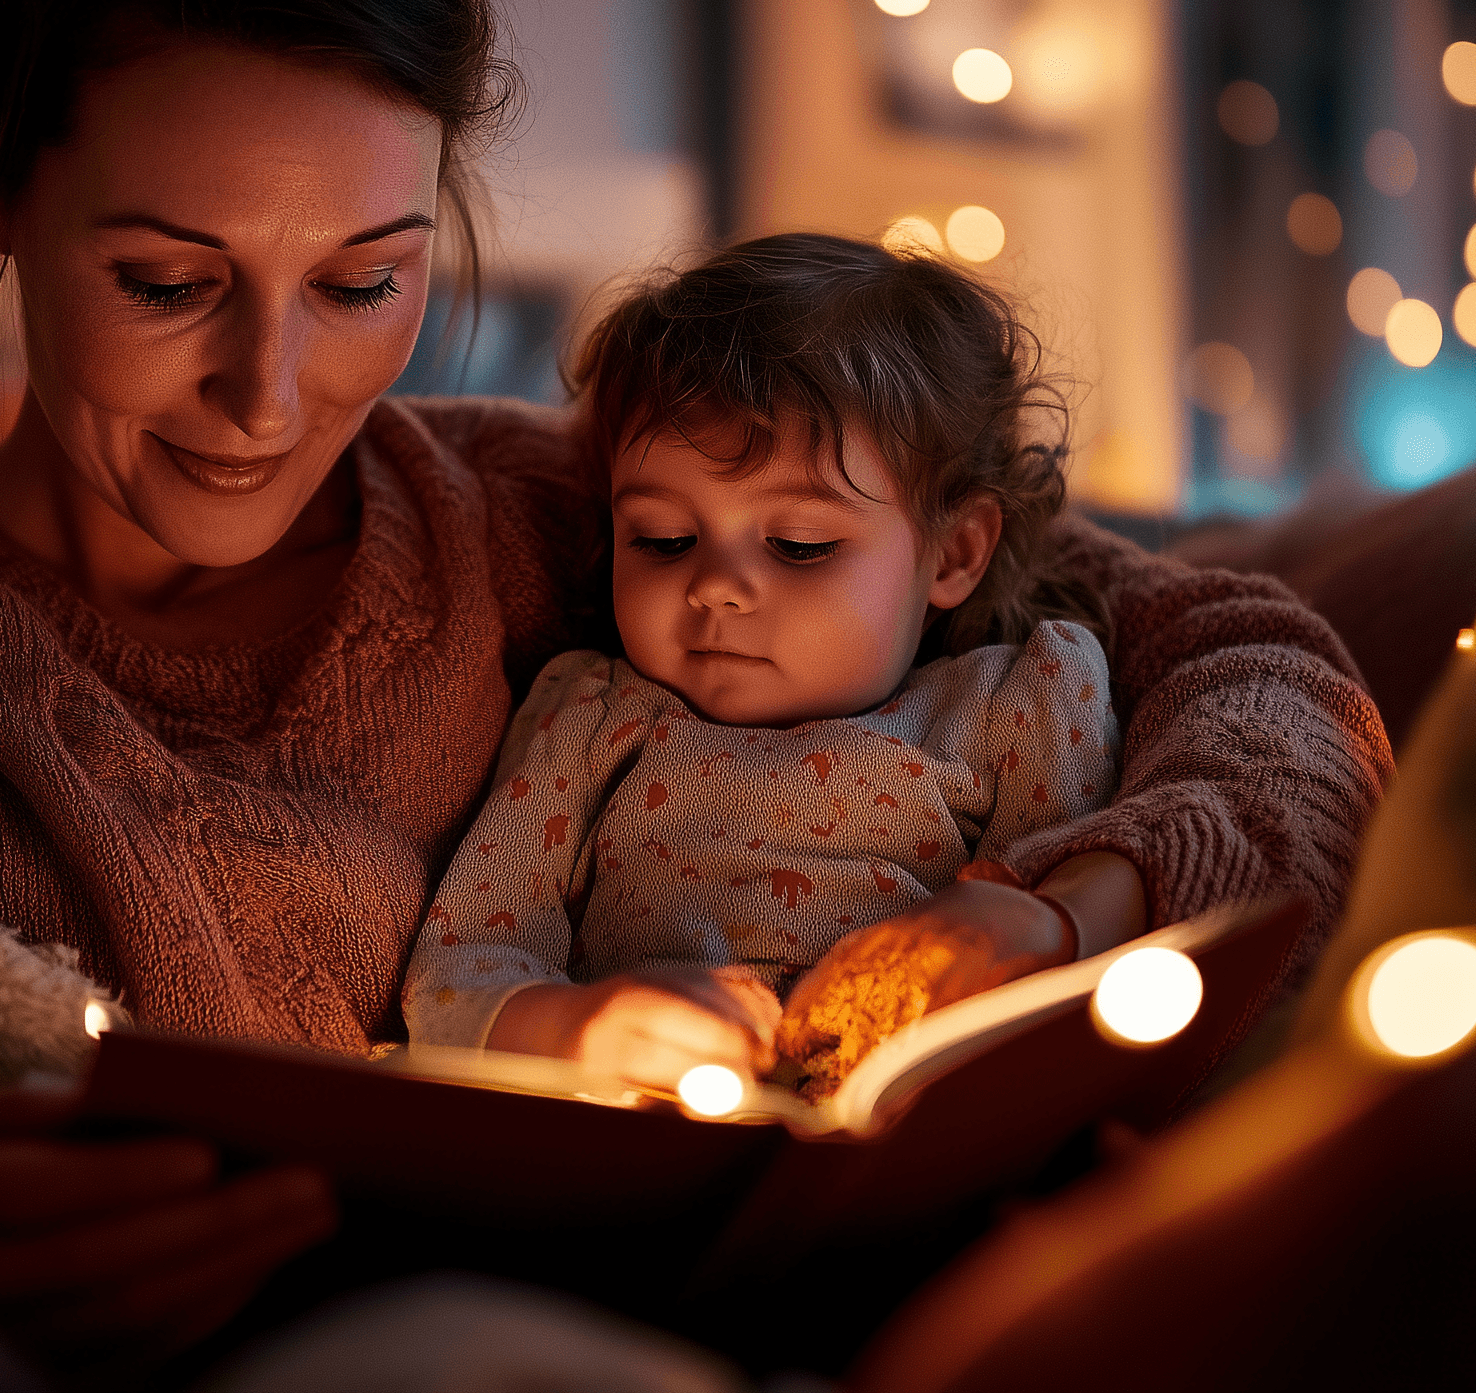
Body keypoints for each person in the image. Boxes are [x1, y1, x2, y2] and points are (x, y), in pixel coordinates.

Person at [0, 0, 1393, 1368]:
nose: (268, 391)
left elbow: (1255, 663)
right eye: (166, 281)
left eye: (364, 279)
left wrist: (1064, 906)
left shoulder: (578, 516)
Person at [403, 235, 1138, 1099]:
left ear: (955, 552)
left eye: (799, 546)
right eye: (663, 540)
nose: (715, 586)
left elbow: (1081, 942)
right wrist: (574, 1027)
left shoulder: (1023, 704)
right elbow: (460, 973)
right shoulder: (591, 718)